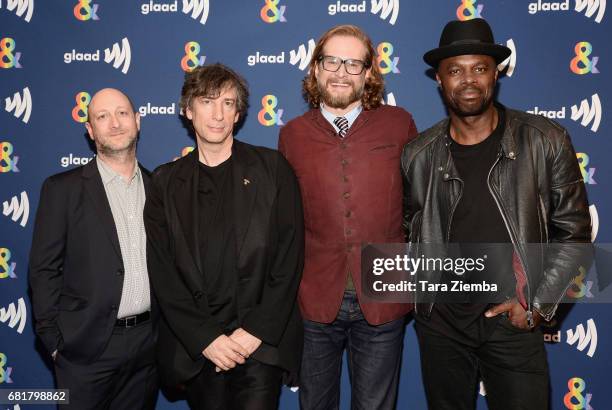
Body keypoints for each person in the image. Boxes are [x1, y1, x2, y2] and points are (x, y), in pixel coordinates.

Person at [401, 18, 591, 410]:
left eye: (479, 68)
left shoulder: (545, 139)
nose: (468, 80)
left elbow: (574, 237)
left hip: (513, 322)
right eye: (455, 70)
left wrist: (538, 307)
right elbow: (409, 232)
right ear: (439, 79)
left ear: (496, 75)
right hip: (442, 325)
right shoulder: (417, 155)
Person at [144, 63, 304, 410]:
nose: (217, 114)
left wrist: (253, 334)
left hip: (260, 346)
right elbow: (163, 274)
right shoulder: (164, 183)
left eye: (228, 103)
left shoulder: (272, 169)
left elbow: (289, 260)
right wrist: (207, 339)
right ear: (188, 111)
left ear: (238, 113)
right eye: (206, 101)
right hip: (200, 351)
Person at [279, 24, 418, 409]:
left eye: (353, 64)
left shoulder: (399, 123)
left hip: (385, 294)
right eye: (332, 61)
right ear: (315, 68)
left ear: (369, 73)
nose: (341, 72)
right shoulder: (291, 134)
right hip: (314, 297)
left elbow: (420, 205)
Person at [29, 88, 157, 409]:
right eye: (102, 116)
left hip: (147, 349)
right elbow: (44, 270)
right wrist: (54, 343)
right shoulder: (62, 190)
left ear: (138, 121)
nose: (114, 123)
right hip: (84, 351)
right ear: (90, 130)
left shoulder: (160, 189)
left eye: (122, 113)